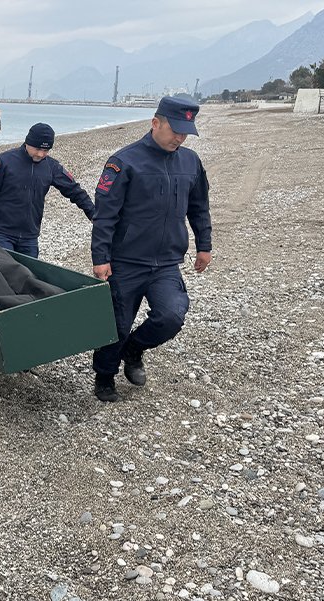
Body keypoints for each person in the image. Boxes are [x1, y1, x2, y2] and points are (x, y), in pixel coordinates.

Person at [90, 97, 213, 403]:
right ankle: (104, 376)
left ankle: (135, 349)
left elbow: (199, 208)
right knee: (115, 325)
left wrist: (204, 245)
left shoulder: (190, 162)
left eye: (186, 132)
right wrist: (100, 258)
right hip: (125, 262)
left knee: (172, 315)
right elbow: (105, 215)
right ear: (155, 123)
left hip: (166, 263)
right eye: (176, 130)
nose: (181, 137)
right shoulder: (124, 161)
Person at [0, 123, 95, 257]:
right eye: (37, 149)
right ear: (27, 142)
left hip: (30, 236)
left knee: (28, 276)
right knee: (4, 274)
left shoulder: (51, 166)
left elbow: (74, 190)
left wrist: (93, 214)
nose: (41, 154)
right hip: (1, 233)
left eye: (46, 150)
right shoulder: (5, 161)